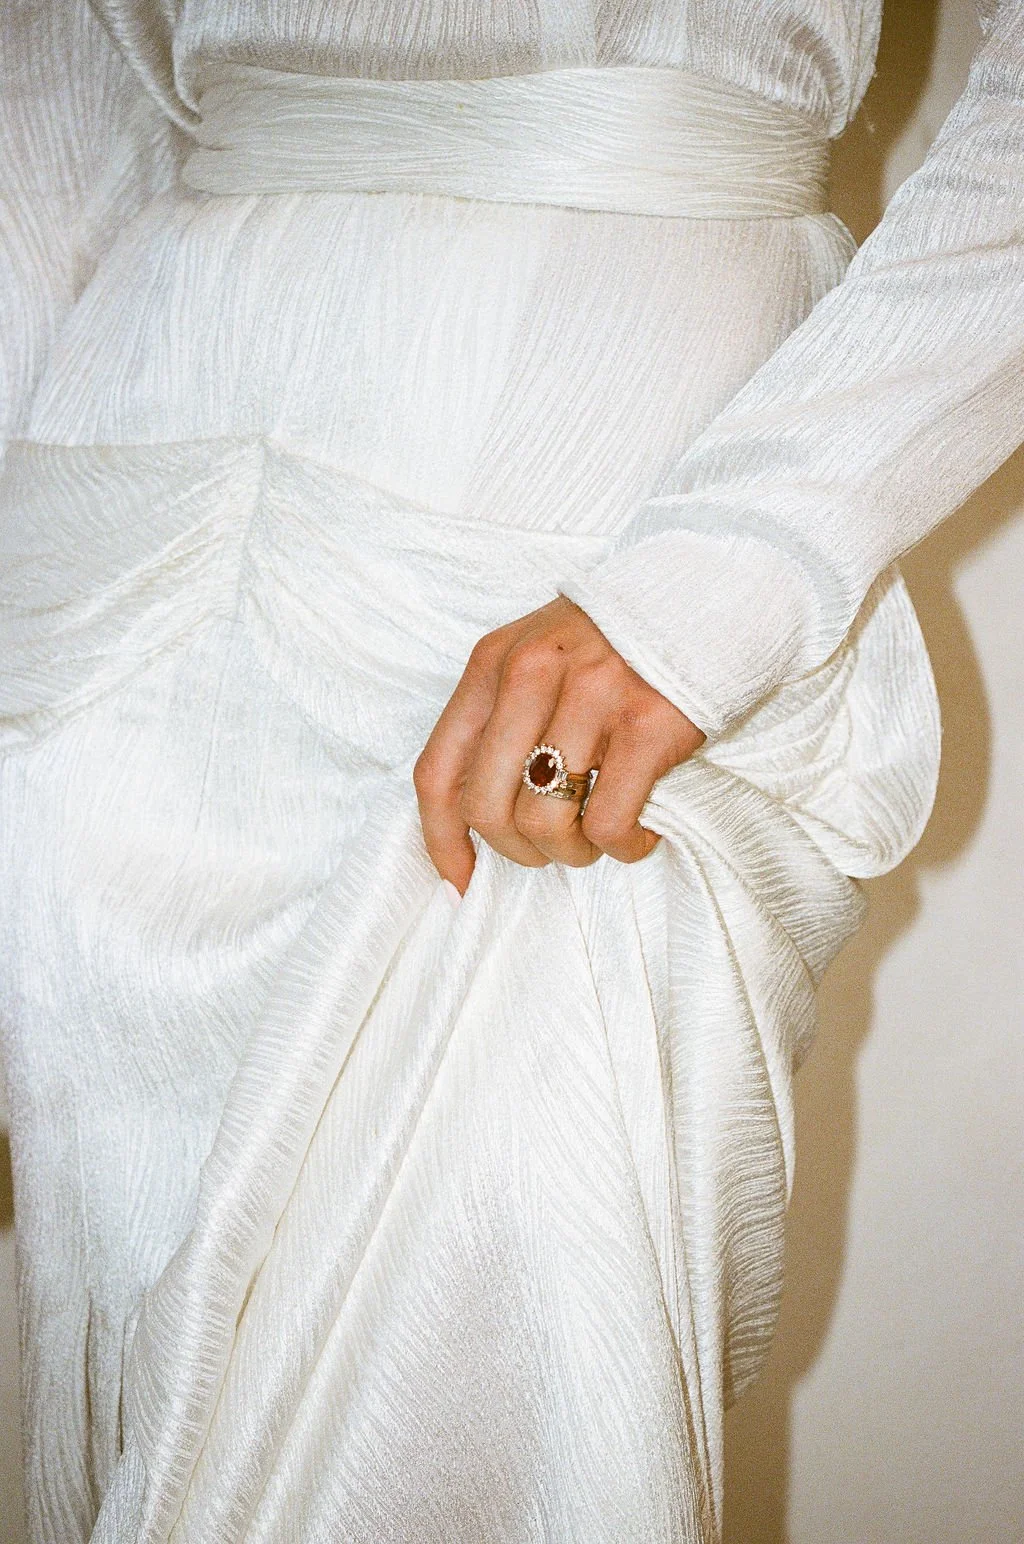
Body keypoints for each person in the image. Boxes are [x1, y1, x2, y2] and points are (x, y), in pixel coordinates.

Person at [0, 2, 1021, 1540]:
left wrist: (731, 572)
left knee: (495, 1372)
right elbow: (50, 94)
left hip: (611, 526)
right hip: (133, 552)